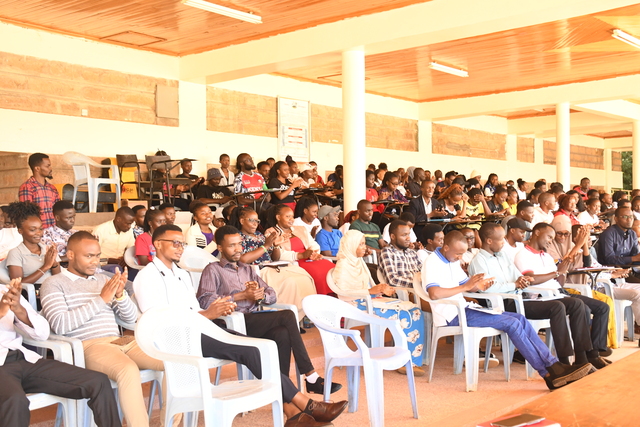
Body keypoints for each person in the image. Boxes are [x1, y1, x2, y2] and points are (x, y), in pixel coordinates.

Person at [133, 224, 347, 427]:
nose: (180, 248)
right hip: (179, 339)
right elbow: (158, 322)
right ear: (157, 244)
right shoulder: (147, 276)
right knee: (254, 348)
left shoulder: (181, 274)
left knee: (262, 345)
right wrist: (209, 313)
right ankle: (307, 404)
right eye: (175, 243)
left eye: (182, 243)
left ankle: (292, 412)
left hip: (201, 328)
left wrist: (248, 299)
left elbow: (194, 310)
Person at [423, 231, 593, 389]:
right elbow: (434, 293)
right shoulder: (432, 262)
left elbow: (466, 286)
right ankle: (548, 373)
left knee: (519, 319)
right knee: (512, 324)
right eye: (458, 254)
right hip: (451, 315)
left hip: (465, 309)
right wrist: (466, 287)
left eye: (462, 254)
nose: (460, 258)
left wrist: (478, 285)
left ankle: (554, 366)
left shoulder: (451, 260)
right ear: (446, 247)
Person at [40, 232, 169, 427]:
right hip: (90, 345)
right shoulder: (53, 283)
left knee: (173, 361)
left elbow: (130, 318)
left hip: (121, 341)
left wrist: (119, 295)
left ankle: (170, 423)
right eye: (89, 256)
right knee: (128, 370)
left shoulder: (102, 280)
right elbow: (60, 325)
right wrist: (101, 299)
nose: (95, 261)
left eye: (97, 256)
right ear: (71, 255)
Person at [197, 225, 341, 393]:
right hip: (231, 323)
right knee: (287, 316)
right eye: (231, 245)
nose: (237, 249)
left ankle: (283, 391)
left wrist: (260, 296)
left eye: (239, 244)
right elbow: (205, 301)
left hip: (254, 320)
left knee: (282, 332)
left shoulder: (247, 269)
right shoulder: (213, 270)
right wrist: (241, 296)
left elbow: (271, 294)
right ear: (220, 248)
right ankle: (310, 376)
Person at [469, 223, 610, 370]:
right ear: (489, 241)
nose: (504, 242)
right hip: (504, 303)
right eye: (501, 239)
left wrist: (523, 280)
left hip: (520, 297)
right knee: (557, 307)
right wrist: (515, 285)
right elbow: (486, 289)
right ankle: (564, 362)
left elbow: (518, 277)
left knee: (576, 304)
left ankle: (582, 359)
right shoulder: (479, 261)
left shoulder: (503, 256)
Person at [0, 278, 122, 427]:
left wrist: (20, 310)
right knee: (14, 400)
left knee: (98, 382)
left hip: (23, 358)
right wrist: (1, 312)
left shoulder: (5, 292)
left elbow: (43, 333)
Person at [332, 230, 425, 376]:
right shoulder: (343, 265)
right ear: (351, 245)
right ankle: (406, 362)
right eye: (360, 244)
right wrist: (371, 291)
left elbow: (369, 287)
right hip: (355, 304)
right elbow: (344, 292)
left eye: (364, 244)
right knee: (407, 313)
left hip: (369, 300)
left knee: (414, 309)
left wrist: (381, 289)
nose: (364, 247)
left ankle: (409, 358)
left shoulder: (359, 262)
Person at [514, 223, 612, 359]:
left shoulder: (546, 256)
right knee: (580, 306)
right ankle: (581, 357)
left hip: (558, 292)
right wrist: (557, 272)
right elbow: (531, 279)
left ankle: (594, 353)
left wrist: (563, 270)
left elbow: (558, 282)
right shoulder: (523, 255)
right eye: (549, 237)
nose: (550, 241)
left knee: (602, 307)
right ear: (537, 232)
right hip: (541, 296)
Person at [236, 207, 316, 318]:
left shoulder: (259, 235)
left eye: (257, 221)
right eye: (251, 220)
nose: (255, 224)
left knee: (304, 278)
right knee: (290, 282)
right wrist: (266, 246)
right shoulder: (238, 238)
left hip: (273, 266)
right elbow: (243, 260)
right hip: (259, 270)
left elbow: (275, 257)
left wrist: (276, 245)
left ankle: (304, 314)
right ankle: (287, 315)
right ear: (242, 221)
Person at [266, 204, 334, 295]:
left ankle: (337, 297)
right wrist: (301, 255)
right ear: (278, 217)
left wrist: (312, 253)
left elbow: (314, 245)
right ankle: (322, 298)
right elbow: (278, 255)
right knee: (319, 274)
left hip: (310, 258)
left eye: (292, 216)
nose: (291, 219)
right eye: (288, 216)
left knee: (333, 269)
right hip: (295, 262)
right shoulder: (271, 232)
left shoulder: (301, 229)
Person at [6, 202, 61, 292]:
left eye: (40, 228)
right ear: (20, 231)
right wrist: (46, 266)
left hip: (55, 289)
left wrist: (54, 264)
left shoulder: (47, 249)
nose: (38, 233)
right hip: (34, 293)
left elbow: (58, 277)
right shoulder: (16, 253)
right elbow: (17, 285)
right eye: (32, 230)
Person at [18, 153, 60, 229]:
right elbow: (26, 214)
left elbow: (59, 210)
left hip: (54, 231)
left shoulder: (52, 188)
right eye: (47, 166)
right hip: (38, 232)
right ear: (37, 168)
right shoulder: (27, 187)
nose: (50, 169)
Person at [92, 207, 136, 278]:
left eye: (131, 224)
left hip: (120, 264)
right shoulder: (100, 230)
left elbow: (132, 249)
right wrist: (108, 260)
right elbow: (91, 255)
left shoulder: (129, 231)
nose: (129, 227)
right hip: (102, 265)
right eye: (127, 224)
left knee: (136, 270)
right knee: (116, 269)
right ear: (118, 219)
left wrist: (126, 259)